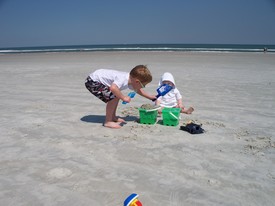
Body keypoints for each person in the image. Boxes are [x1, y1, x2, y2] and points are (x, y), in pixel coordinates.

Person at [85, 65, 156, 129]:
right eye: (143, 85)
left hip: (97, 78)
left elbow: (138, 90)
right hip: (93, 81)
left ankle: (113, 117)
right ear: (137, 82)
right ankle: (108, 121)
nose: (143, 87)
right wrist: (124, 97)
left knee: (116, 95)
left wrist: (150, 97)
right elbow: (113, 88)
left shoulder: (131, 80)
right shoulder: (123, 79)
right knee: (113, 97)